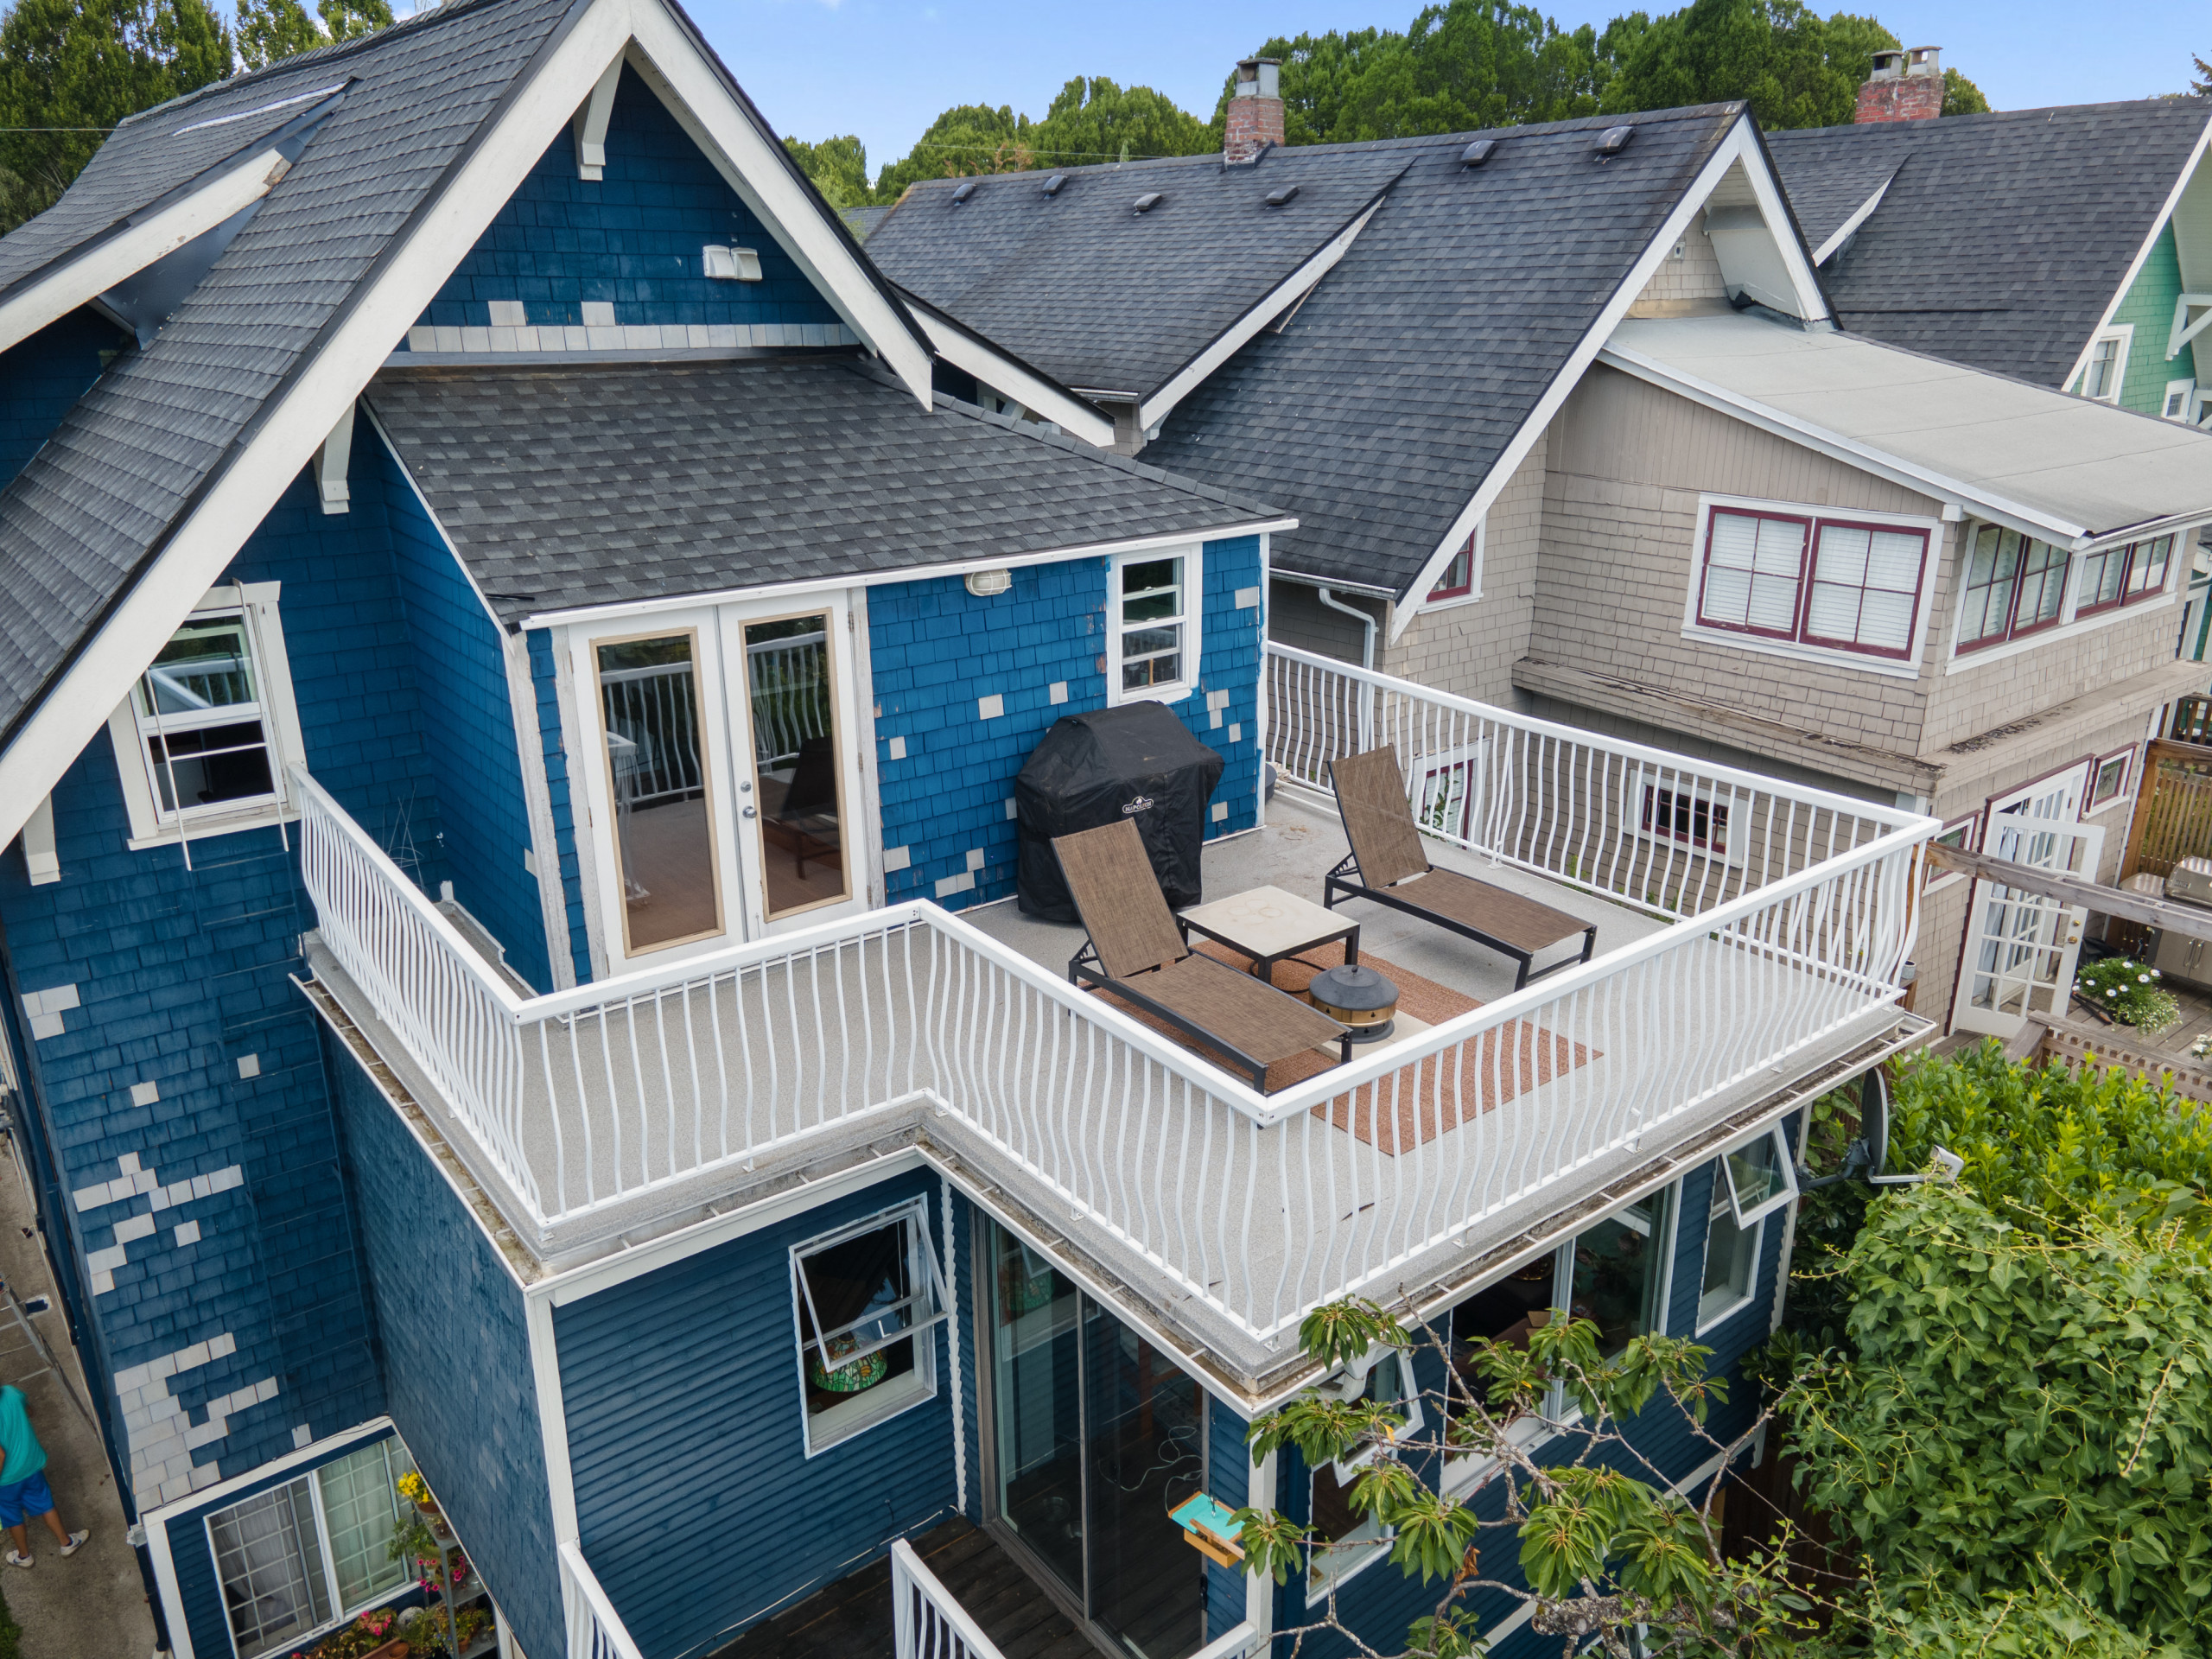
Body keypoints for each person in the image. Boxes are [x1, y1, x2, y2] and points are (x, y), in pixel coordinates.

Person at [0, 1384, 85, 1567]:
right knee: (45, 1504)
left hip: (5, 1479)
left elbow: (0, 1455)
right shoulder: (12, 1393)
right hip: (30, 1465)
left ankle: (24, 1556)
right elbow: (29, 1410)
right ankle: (66, 1543)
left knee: (13, 1517)